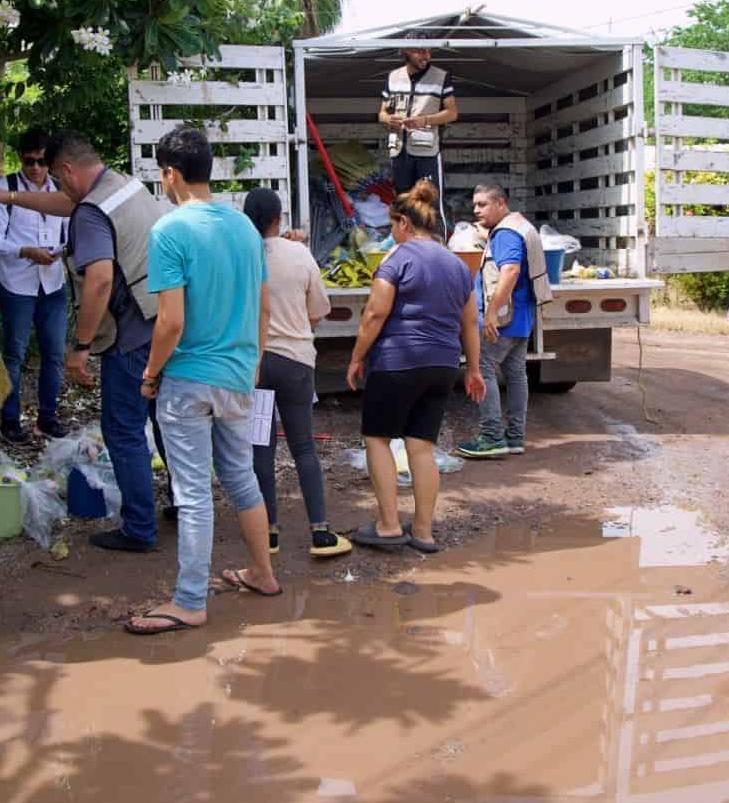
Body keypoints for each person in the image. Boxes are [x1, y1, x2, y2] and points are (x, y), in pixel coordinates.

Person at [0, 133, 166, 554]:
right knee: (163, 420)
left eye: (58, 181)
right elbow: (67, 205)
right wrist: (6, 198)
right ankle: (185, 504)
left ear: (65, 170)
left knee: (124, 430)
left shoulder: (92, 212)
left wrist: (81, 346)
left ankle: (139, 528)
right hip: (163, 321)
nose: (59, 193)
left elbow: (98, 280)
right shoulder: (121, 186)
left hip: (129, 334)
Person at [128, 127, 279, 634]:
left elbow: (170, 322)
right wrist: (253, 363)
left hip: (189, 379)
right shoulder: (245, 230)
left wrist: (150, 375)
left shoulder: (170, 230)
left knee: (192, 492)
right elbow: (262, 306)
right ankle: (262, 572)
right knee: (241, 478)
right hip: (238, 376)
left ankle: (190, 601)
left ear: (170, 173)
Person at [346, 180, 487, 552]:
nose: (392, 235)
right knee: (421, 447)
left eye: (393, 227)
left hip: (398, 361)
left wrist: (358, 356)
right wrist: (473, 368)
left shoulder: (397, 259)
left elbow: (375, 313)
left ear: (404, 224)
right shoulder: (458, 267)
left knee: (378, 438)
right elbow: (469, 322)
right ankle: (423, 532)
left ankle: (389, 525)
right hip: (443, 364)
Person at [242, 187, 352, 559]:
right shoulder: (299, 253)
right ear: (278, 219)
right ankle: (320, 533)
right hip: (295, 364)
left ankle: (268, 533)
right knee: (303, 446)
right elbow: (318, 310)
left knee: (261, 445)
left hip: (256, 366)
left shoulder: (241, 255)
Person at [0, 125, 70, 445]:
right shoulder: (3, 191)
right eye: (29, 161)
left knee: (55, 353)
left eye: (41, 162)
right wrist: (23, 250)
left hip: (53, 281)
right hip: (17, 282)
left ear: (50, 162)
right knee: (14, 354)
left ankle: (48, 416)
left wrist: (63, 250)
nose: (35, 168)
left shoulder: (61, 190)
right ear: (20, 159)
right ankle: (10, 419)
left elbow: (71, 228)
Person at [456, 184, 552, 460]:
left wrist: (491, 313)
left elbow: (510, 271)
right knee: (516, 374)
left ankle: (491, 437)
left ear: (501, 203)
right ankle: (514, 437)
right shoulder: (520, 225)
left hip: (504, 319)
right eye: (475, 205)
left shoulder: (506, 233)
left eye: (482, 204)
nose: (476, 210)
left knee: (482, 368)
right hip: (521, 317)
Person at [379, 43, 458, 227]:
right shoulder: (393, 77)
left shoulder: (441, 77)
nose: (427, 56)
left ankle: (435, 247)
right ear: (407, 51)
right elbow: (382, 113)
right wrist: (388, 119)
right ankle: (407, 248)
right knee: (403, 203)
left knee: (431, 204)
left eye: (429, 51)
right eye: (421, 51)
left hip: (427, 152)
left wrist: (424, 120)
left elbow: (452, 113)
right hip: (399, 151)